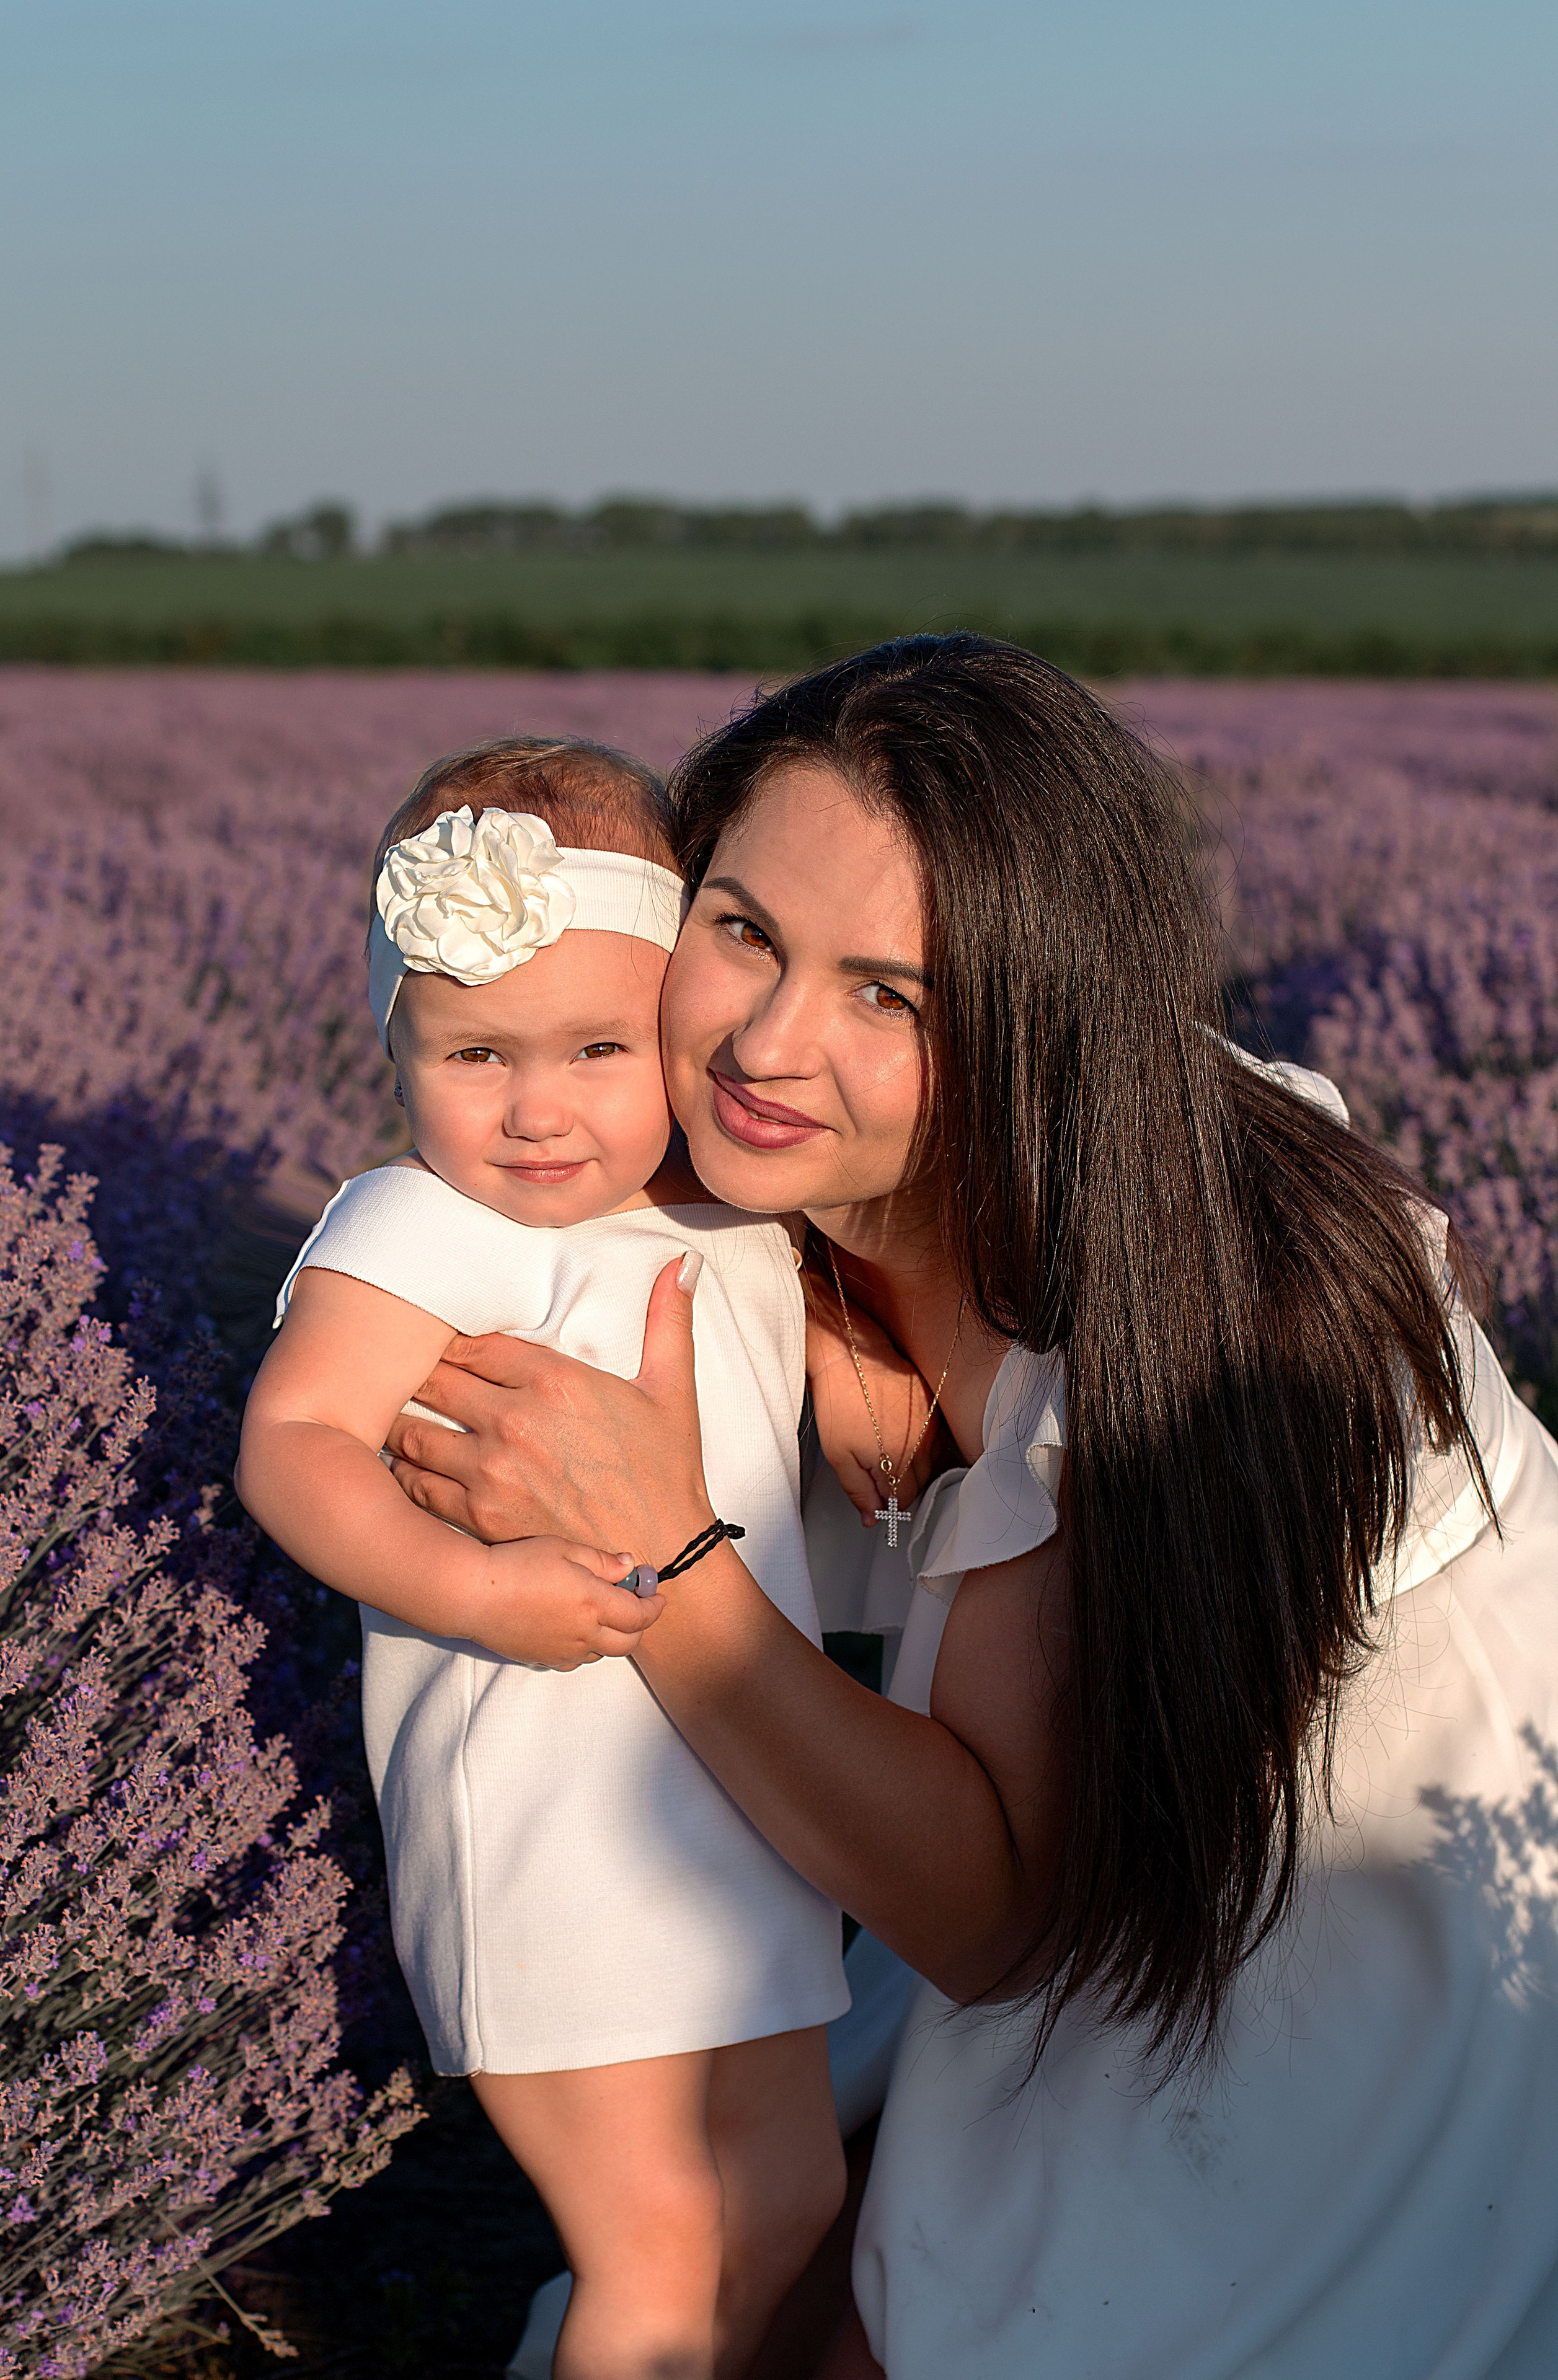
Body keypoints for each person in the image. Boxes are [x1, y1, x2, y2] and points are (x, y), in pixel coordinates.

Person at [379, 638, 1558, 2379]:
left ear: (1030, 1019)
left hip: (1372, 1947)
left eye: (894, 997)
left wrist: (672, 1557)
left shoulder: (1137, 1336)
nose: (771, 1043)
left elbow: (997, 1921)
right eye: (745, 931)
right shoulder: (991, 1140)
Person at [236, 737, 934, 2380]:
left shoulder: (712, 1214)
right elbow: (299, 1442)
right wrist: (476, 1590)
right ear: (396, 1043)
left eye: (599, 1049)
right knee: (661, 2247)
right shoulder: (424, 1227)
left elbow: (803, 1435)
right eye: (476, 1052)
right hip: (553, 1824)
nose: (539, 1110)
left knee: (778, 2198)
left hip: (729, 1809)